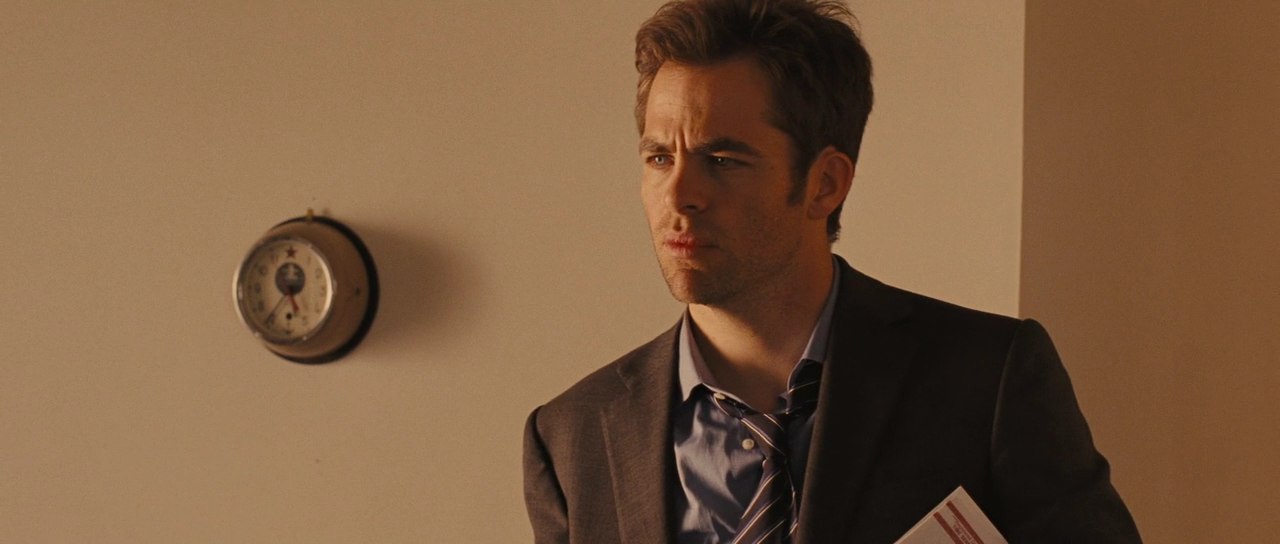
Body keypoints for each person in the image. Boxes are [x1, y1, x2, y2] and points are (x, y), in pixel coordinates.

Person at [522, 0, 1141, 542]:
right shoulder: (572, 436)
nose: (679, 194)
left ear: (824, 184)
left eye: (723, 160)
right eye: (660, 158)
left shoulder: (987, 380)